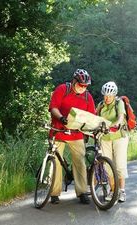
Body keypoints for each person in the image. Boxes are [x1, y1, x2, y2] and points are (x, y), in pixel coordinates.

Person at [48, 69, 96, 204]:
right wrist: (61, 118)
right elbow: (53, 108)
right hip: (58, 131)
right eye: (81, 85)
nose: (83, 88)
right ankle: (54, 193)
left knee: (80, 162)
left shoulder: (87, 97)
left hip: (76, 134)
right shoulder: (62, 89)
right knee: (56, 162)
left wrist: (90, 129)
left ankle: (82, 192)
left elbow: (90, 116)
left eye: (86, 86)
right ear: (74, 81)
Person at [96, 81, 129, 202]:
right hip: (105, 138)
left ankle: (122, 191)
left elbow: (120, 117)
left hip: (119, 136)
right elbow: (95, 118)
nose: (107, 98)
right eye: (105, 95)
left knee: (119, 165)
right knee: (108, 165)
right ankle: (112, 190)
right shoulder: (100, 105)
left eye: (110, 95)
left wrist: (114, 125)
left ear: (114, 95)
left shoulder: (119, 103)